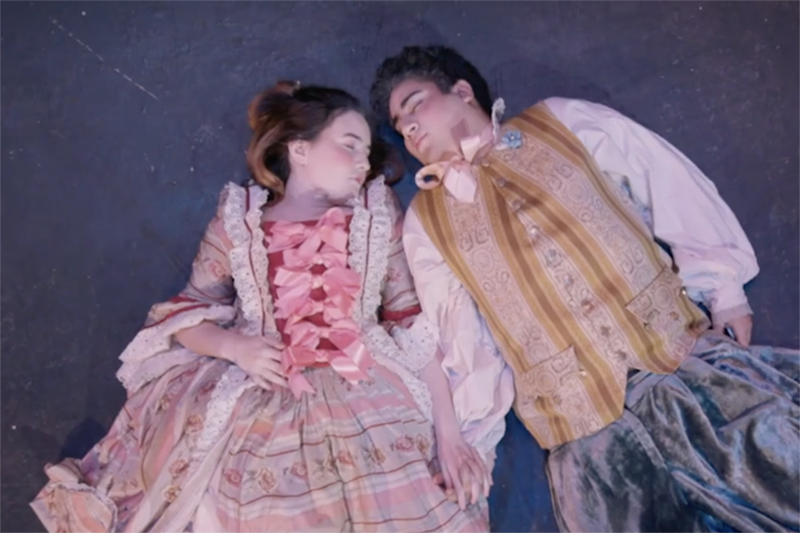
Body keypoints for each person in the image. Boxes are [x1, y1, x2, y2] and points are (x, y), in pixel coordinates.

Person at [30, 81, 510, 532]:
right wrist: (235, 347)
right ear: (299, 149)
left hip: (374, 393)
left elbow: (413, 327)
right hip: (266, 401)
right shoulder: (239, 219)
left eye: (366, 151)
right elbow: (184, 315)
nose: (362, 161)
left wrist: (449, 436)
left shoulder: (376, 212)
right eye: (348, 144)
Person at [370, 45, 800, 532]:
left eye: (415, 104)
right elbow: (463, 337)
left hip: (680, 367)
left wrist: (724, 290)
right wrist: (471, 436)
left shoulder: (561, 121)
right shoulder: (426, 223)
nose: (409, 126)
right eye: (400, 125)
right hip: (589, 442)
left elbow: (662, 178)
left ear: (463, 91)